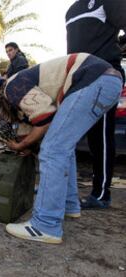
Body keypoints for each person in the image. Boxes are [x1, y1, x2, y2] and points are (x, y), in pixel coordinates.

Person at [0, 53, 122, 244]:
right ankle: (69, 205)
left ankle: (45, 224)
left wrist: (21, 144)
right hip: (108, 81)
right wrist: (26, 146)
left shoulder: (12, 87)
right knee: (64, 147)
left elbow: (46, 117)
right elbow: (33, 129)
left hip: (93, 78)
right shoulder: (22, 97)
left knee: (53, 149)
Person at [66, 0, 126, 209]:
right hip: (78, 78)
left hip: (104, 75)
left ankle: (101, 195)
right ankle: (64, 188)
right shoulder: (71, 10)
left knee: (100, 138)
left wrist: (118, 47)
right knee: (70, 137)